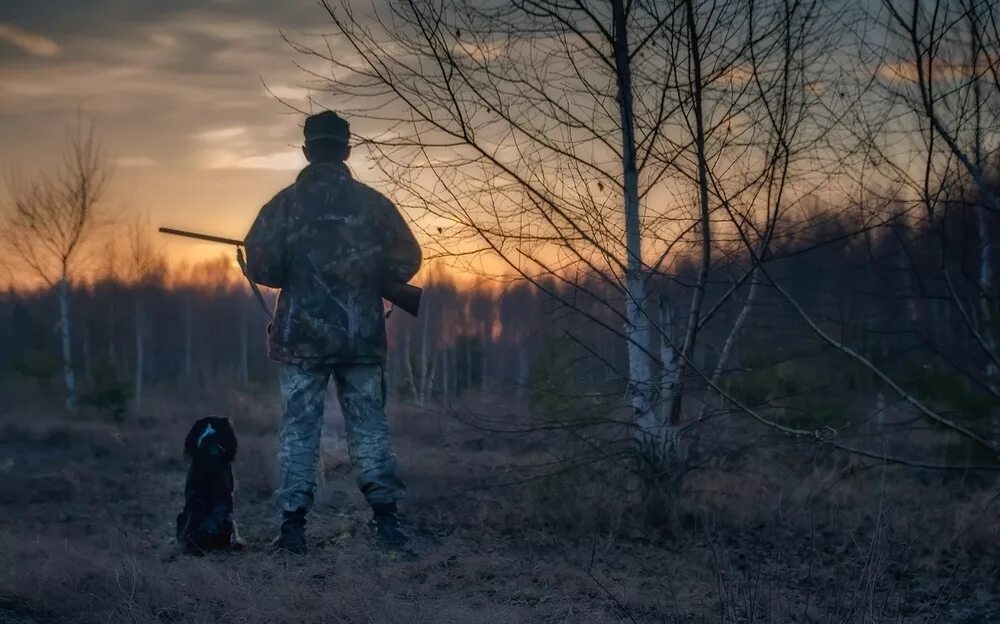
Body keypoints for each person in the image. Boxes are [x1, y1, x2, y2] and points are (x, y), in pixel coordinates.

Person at [243, 110, 422, 555]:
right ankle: (388, 523)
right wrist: (367, 267)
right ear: (346, 150)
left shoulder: (282, 206)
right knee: (370, 430)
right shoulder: (375, 205)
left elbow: (263, 267)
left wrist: (298, 263)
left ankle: (292, 529)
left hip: (300, 341)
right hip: (361, 338)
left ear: (306, 150)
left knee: (299, 431)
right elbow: (407, 261)